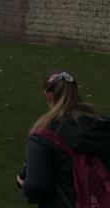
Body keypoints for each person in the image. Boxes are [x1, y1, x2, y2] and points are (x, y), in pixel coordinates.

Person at [18, 70, 110, 207]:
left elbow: (37, 187)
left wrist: (23, 183)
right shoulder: (102, 126)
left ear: (48, 94)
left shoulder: (43, 136)